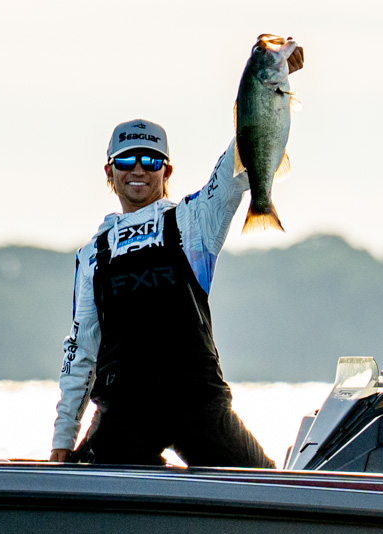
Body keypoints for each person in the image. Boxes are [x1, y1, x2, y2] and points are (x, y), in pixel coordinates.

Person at [48, 119, 274, 468]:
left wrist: (265, 87)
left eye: (151, 161)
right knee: (92, 470)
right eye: (127, 160)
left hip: (197, 402)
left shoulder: (194, 221)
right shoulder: (93, 253)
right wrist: (63, 438)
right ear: (109, 172)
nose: (138, 170)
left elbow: (238, 159)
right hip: (124, 411)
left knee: (264, 485)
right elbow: (81, 351)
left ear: (166, 171)